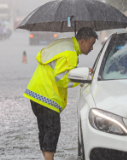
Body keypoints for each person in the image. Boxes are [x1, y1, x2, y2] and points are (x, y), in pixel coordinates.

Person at [23, 27, 98, 160]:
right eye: (91, 44)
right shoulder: (70, 53)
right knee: (52, 131)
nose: (92, 48)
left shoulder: (63, 44)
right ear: (82, 41)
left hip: (35, 93)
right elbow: (61, 79)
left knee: (45, 131)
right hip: (48, 96)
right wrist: (83, 77)